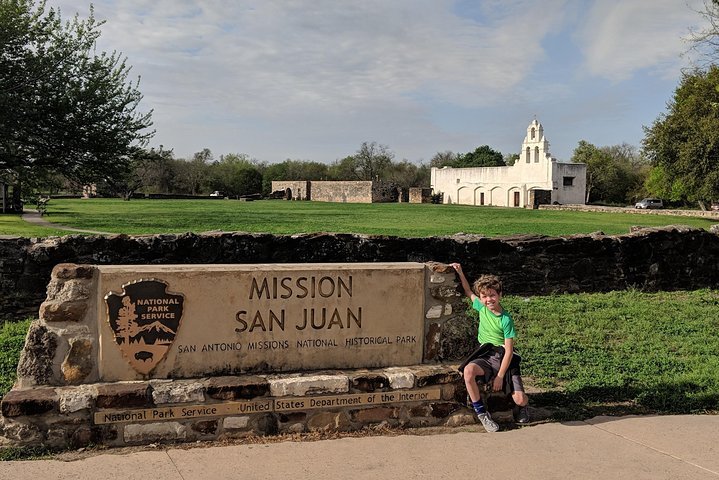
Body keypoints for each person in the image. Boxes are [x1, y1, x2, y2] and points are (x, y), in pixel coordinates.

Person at [451, 263, 529, 432]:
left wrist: (500, 376)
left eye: (492, 295)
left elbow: (509, 351)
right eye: (484, 296)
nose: (488, 300)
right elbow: (468, 292)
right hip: (486, 354)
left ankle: (521, 407)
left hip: (504, 358)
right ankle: (482, 413)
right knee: (468, 371)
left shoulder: (506, 320)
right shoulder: (481, 307)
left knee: (520, 399)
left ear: (499, 295)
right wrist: (460, 272)